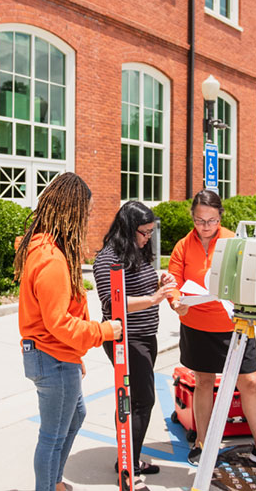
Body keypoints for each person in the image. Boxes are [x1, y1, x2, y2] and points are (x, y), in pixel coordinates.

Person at [15, 172, 123, 491]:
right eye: (87, 213)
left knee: (75, 417)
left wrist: (76, 355)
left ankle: (55, 482)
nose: (89, 219)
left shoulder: (44, 248)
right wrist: (104, 330)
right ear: (72, 214)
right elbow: (58, 323)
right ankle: (49, 486)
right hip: (53, 358)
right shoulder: (51, 260)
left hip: (56, 356)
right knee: (52, 436)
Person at [167, 190, 256, 475]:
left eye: (211, 220)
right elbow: (173, 280)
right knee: (204, 383)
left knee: (250, 383)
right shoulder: (183, 245)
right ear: (192, 218)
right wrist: (175, 302)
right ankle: (203, 441)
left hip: (234, 326)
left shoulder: (235, 241)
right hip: (197, 325)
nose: (205, 226)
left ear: (220, 216)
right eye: (199, 220)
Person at [93, 201, 180, 491]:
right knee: (142, 401)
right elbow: (112, 302)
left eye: (150, 233)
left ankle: (130, 458)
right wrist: (155, 298)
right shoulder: (107, 258)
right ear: (128, 229)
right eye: (143, 232)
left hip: (145, 336)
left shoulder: (138, 251)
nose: (147, 238)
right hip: (125, 339)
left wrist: (160, 279)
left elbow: (140, 286)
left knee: (141, 400)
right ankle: (128, 468)